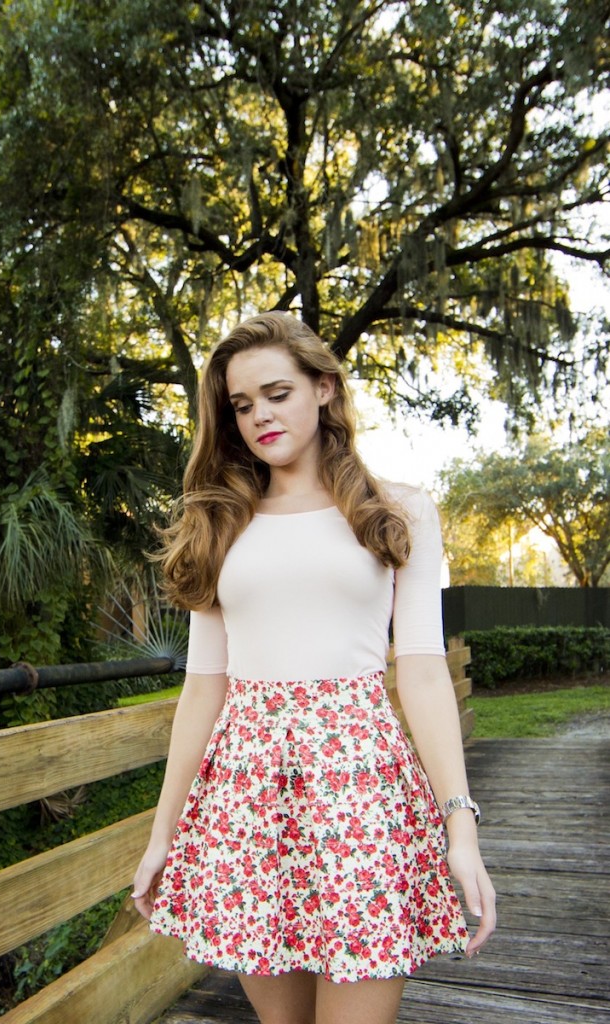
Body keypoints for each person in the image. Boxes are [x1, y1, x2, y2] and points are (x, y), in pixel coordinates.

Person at [132, 311, 496, 1024]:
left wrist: (461, 830)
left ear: (323, 387)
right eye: (241, 406)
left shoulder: (399, 512)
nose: (259, 416)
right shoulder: (220, 521)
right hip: (246, 808)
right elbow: (204, 688)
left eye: (276, 393)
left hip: (360, 799)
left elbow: (421, 673)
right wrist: (162, 835)